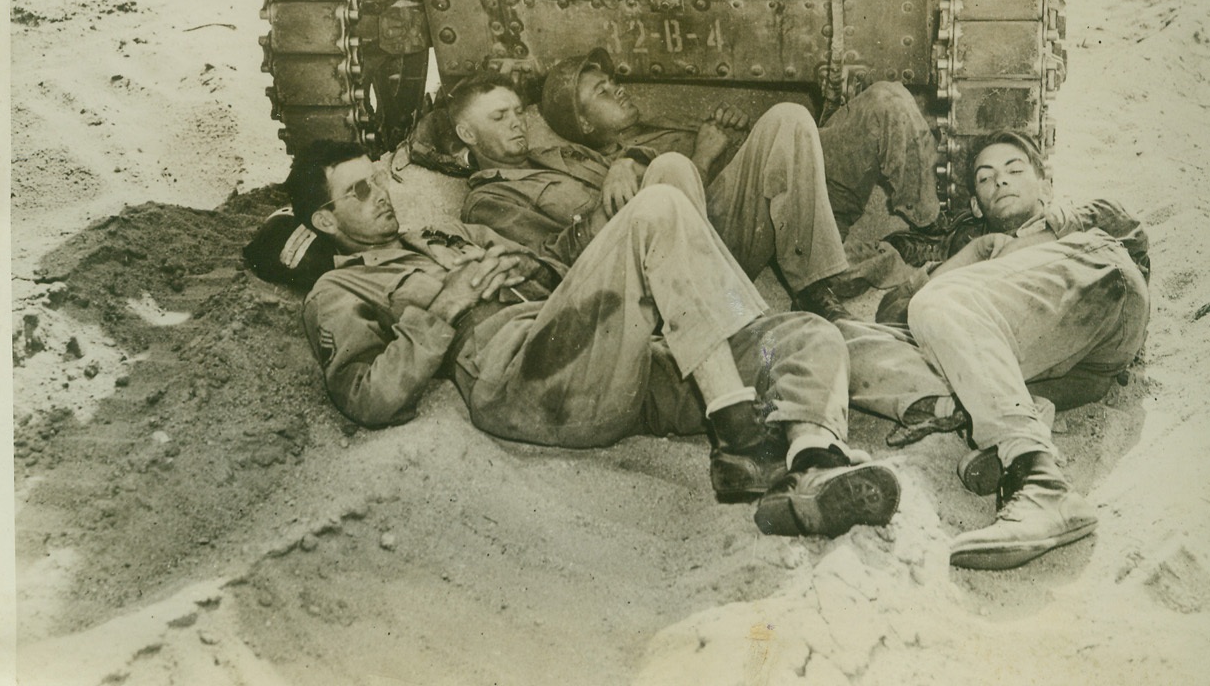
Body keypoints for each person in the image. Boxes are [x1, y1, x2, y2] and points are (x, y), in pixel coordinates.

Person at [287, 139, 901, 538]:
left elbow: (563, 278)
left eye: (378, 179)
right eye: (358, 190)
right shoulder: (339, 290)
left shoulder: (448, 235)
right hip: (528, 381)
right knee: (659, 207)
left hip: (609, 365)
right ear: (324, 219)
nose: (380, 194)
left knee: (803, 335)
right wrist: (445, 306)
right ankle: (739, 436)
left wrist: (531, 263)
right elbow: (365, 396)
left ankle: (813, 468)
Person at [840, 130, 1150, 569]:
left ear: (1045, 184)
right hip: (1049, 369)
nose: (1000, 180)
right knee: (842, 341)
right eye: (985, 178)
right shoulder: (972, 258)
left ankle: (1039, 480)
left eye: (1014, 170)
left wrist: (1034, 239)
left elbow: (1130, 235)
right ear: (975, 205)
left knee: (938, 301)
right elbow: (893, 314)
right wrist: (971, 254)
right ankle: (966, 409)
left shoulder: (1074, 218)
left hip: (1097, 293)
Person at [451, 53, 939, 321]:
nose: (517, 123)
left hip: (747, 221)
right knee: (677, 165)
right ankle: (802, 294)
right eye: (500, 117)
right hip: (673, 260)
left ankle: (842, 275)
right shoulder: (491, 198)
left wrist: (727, 141)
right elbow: (554, 263)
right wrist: (684, 157)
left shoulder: (566, 158)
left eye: (517, 113)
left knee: (800, 116)